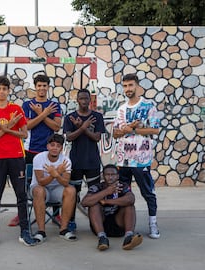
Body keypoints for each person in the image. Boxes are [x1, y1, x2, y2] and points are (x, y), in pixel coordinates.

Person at [0, 75, 36, 247]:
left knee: (21, 195)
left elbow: (24, 134)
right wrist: (6, 128)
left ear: (8, 91)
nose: (1, 91)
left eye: (4, 89)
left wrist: (6, 128)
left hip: (16, 157)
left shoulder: (16, 110)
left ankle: (25, 232)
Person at [8, 74, 62, 227]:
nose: (42, 88)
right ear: (35, 87)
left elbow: (56, 127)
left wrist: (40, 113)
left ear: (48, 87)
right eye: (39, 85)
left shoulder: (54, 105)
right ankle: (21, 214)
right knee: (24, 184)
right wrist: (44, 114)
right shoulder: (27, 105)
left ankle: (56, 214)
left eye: (44, 85)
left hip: (51, 151)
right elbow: (27, 126)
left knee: (54, 180)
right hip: (30, 150)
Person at [113, 73, 160, 239]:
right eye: (125, 86)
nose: (128, 89)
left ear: (137, 86)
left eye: (131, 85)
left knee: (148, 192)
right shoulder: (121, 109)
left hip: (142, 160)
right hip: (123, 159)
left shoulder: (148, 106)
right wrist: (122, 131)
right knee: (122, 193)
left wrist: (132, 129)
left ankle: (153, 224)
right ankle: (123, 226)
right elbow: (116, 134)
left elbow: (155, 130)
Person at [63, 88, 106, 236]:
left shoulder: (97, 117)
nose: (83, 101)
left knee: (94, 194)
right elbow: (69, 138)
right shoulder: (69, 118)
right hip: (75, 162)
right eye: (81, 98)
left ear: (90, 100)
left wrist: (83, 128)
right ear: (77, 100)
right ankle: (71, 222)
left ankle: (95, 224)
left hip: (93, 162)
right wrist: (82, 127)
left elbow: (96, 138)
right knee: (74, 194)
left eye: (86, 99)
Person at [81, 164, 143, 251]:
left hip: (118, 224)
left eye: (113, 175)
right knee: (93, 205)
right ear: (103, 176)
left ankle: (128, 238)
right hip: (100, 224)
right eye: (107, 175)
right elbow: (85, 202)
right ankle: (102, 239)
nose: (110, 177)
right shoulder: (96, 187)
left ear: (117, 176)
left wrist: (106, 201)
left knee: (129, 206)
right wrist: (107, 191)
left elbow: (131, 199)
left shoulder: (123, 186)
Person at [30, 134, 77, 243]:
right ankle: (41, 231)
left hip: (57, 188)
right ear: (47, 146)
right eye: (52, 145)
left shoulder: (66, 160)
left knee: (71, 190)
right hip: (40, 188)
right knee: (39, 190)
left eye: (58, 146)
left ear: (61, 148)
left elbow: (65, 183)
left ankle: (63, 230)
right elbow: (41, 181)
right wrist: (54, 174)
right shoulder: (39, 158)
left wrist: (56, 174)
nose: (55, 148)